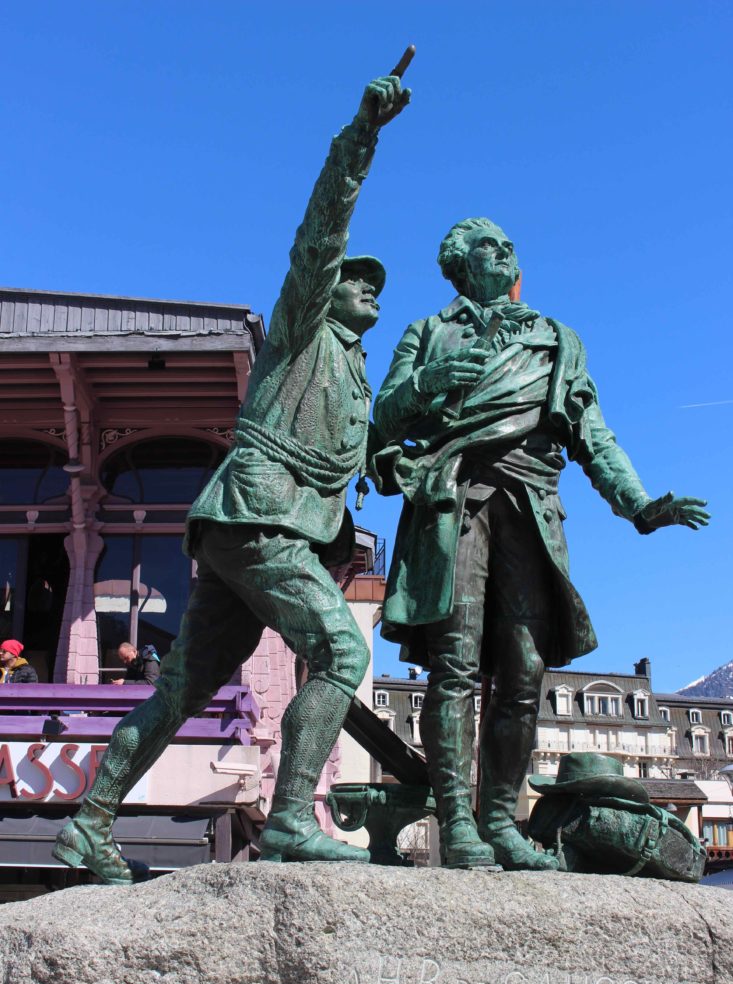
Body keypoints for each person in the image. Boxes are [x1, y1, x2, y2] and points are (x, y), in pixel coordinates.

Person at [53, 72, 410, 885]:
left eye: (377, 290)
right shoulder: (301, 323)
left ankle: (87, 826)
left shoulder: (354, 375)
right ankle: (289, 821)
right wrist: (362, 135)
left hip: (264, 531)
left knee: (181, 688)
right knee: (337, 653)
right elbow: (321, 228)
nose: (370, 294)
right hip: (259, 516)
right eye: (360, 281)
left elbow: (375, 447)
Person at [371, 216, 709, 872]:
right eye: (491, 248)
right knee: (455, 663)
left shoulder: (555, 339)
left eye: (509, 248)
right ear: (461, 265)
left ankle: (500, 819)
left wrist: (637, 503)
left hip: (530, 505)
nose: (507, 256)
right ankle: (457, 820)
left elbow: (592, 434)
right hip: (454, 501)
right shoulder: (429, 333)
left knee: (523, 671)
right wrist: (430, 380)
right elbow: (384, 415)